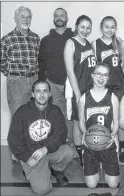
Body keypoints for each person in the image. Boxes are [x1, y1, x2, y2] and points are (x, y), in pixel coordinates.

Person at [7, 79, 74, 195]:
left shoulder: (55, 111)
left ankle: (55, 169)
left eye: (45, 91)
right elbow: (13, 140)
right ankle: (31, 170)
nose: (42, 95)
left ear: (49, 94)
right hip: (31, 155)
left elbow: (61, 135)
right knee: (42, 189)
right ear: (32, 94)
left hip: (47, 151)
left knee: (69, 151)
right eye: (38, 91)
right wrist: (26, 157)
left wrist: (45, 149)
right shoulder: (22, 111)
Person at [1, 6, 40, 163]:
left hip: (34, 80)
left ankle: (30, 148)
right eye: (22, 16)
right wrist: (14, 75)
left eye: (28, 16)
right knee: (18, 116)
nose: (25, 19)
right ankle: (17, 152)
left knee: (33, 116)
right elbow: (2, 63)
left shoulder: (36, 38)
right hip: (17, 81)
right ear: (16, 18)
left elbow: (38, 59)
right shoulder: (6, 39)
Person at [78, 63, 120, 189]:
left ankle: (107, 163)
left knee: (113, 184)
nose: (101, 78)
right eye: (98, 74)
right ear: (92, 75)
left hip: (108, 143)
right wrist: (85, 133)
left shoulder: (113, 98)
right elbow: (81, 121)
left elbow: (116, 122)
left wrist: (113, 135)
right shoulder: (83, 99)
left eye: (105, 75)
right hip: (90, 144)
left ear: (108, 78)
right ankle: (95, 164)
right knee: (91, 185)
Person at [91, 16, 124, 164]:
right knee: (105, 120)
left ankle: (122, 150)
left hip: (118, 87)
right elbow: (93, 68)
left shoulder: (119, 43)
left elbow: (123, 65)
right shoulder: (95, 44)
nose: (109, 30)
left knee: (120, 120)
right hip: (104, 88)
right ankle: (102, 149)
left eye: (112, 27)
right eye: (106, 26)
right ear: (101, 27)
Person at [64, 15, 95, 166]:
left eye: (88, 28)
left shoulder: (88, 43)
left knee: (87, 121)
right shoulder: (71, 43)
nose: (85, 30)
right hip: (78, 89)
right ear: (76, 26)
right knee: (77, 122)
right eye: (82, 27)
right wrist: (77, 94)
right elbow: (70, 71)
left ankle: (89, 149)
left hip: (90, 89)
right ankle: (80, 153)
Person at [38, 8, 74, 140]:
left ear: (67, 18)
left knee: (72, 116)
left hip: (71, 85)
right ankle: (61, 143)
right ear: (53, 19)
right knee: (58, 116)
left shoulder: (75, 37)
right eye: (56, 16)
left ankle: (74, 144)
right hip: (53, 84)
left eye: (62, 15)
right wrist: (42, 83)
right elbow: (41, 63)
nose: (59, 18)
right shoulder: (46, 40)